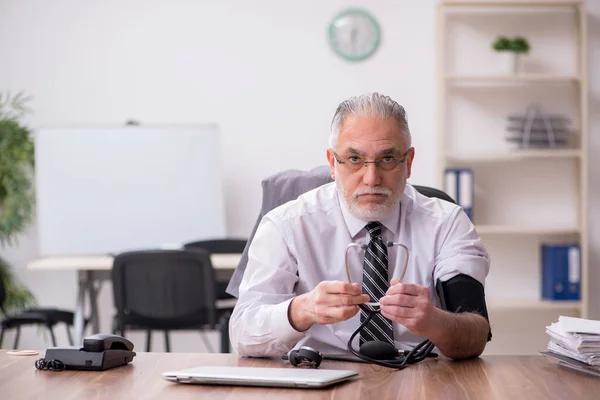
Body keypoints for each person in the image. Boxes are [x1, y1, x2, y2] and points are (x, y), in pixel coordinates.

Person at [230, 93, 491, 359]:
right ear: (333, 163)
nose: (371, 178)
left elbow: (476, 334)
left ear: (408, 162)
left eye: (387, 159)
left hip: (420, 375)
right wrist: (302, 310)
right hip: (319, 373)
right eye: (354, 159)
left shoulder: (447, 224)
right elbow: (242, 334)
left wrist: (435, 321)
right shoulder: (286, 225)